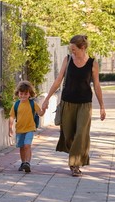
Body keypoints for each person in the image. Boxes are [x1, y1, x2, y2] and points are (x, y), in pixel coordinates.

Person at [42, 35, 106, 177]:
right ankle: (77, 156)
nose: (72, 52)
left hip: (84, 104)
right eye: (71, 49)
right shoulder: (68, 59)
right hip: (67, 102)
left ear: (82, 48)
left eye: (74, 49)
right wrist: (46, 99)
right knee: (68, 136)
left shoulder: (92, 63)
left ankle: (75, 164)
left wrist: (102, 106)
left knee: (81, 134)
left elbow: (96, 85)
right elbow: (58, 80)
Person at [9, 80, 45, 173]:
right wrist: (10, 128)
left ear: (30, 94)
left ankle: (27, 163)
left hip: (30, 128)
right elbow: (12, 116)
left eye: (25, 94)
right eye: (21, 94)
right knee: (21, 147)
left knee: (27, 145)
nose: (23, 96)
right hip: (19, 129)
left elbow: (40, 113)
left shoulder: (33, 104)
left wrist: (44, 109)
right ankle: (23, 162)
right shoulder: (16, 105)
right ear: (18, 94)